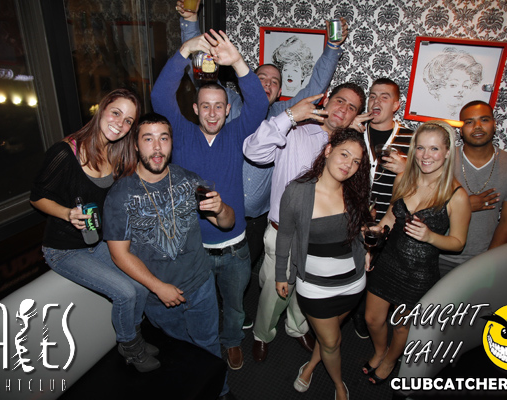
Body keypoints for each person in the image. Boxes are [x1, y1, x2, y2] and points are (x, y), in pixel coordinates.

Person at [177, 0, 350, 282]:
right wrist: (190, 21)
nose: (267, 84)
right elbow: (201, 76)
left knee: (240, 280)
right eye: (261, 78)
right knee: (203, 279)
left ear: (280, 91)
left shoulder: (283, 114)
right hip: (214, 211)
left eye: (274, 81)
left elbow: (314, 89)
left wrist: (333, 47)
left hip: (256, 220)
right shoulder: (229, 104)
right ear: (247, 82)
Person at [151, 28, 269, 370]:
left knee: (234, 305)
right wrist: (186, 49)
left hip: (234, 248)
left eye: (219, 106)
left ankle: (232, 342)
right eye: (206, 106)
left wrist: (238, 62)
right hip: (193, 249)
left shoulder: (236, 133)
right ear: (195, 109)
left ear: (228, 109)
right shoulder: (181, 133)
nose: (213, 113)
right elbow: (159, 95)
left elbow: (260, 104)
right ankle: (198, 349)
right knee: (195, 305)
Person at [103, 113, 236, 399]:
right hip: (160, 298)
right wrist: (158, 287)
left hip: (200, 285)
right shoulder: (120, 195)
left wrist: (221, 208)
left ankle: (221, 392)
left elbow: (227, 223)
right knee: (181, 355)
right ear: (136, 145)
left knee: (210, 344)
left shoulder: (189, 180)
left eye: (163, 138)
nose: (157, 147)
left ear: (171, 143)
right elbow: (118, 254)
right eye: (148, 139)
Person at [30, 89, 160, 372]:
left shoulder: (115, 152)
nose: (120, 124)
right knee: (125, 292)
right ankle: (129, 346)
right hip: (64, 250)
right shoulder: (65, 152)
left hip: (96, 242)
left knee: (140, 285)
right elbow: (37, 197)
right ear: (102, 109)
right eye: (116, 113)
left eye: (128, 121)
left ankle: (134, 335)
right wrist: (67, 213)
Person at [243, 82, 370, 362]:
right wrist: (289, 116)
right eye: (340, 101)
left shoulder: (348, 151)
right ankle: (263, 334)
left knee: (309, 291)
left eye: (352, 108)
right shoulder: (295, 132)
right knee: (276, 292)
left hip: (322, 240)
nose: (343, 109)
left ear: (355, 116)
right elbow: (253, 151)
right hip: (284, 234)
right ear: (328, 100)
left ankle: (297, 327)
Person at [363, 120, 471, 384]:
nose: (425, 156)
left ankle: (390, 360)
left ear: (447, 152)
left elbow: (458, 242)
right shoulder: (403, 178)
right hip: (389, 261)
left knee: (401, 326)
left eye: (434, 149)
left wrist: (431, 236)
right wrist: (374, 238)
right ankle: (380, 351)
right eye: (420, 148)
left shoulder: (457, 196)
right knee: (372, 319)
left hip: (419, 273)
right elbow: (391, 217)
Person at [275, 128, 371, 400]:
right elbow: (285, 235)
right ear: (328, 150)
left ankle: (311, 366)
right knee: (331, 341)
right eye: (344, 154)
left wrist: (365, 249)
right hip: (315, 288)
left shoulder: (354, 191)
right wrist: (281, 274)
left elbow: (360, 228)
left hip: (352, 284)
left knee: (330, 337)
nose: (348, 165)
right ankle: (339, 385)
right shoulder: (297, 191)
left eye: (356, 161)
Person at [350, 78, 413, 339]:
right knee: (353, 265)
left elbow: (428, 181)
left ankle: (369, 312)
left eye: (384, 97)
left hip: (392, 220)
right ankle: (354, 310)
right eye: (373, 96)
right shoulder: (355, 131)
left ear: (396, 105)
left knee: (379, 270)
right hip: (353, 215)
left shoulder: (411, 138)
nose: (376, 101)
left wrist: (407, 169)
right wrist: (345, 130)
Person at [438, 101, 507, 277]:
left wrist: (488, 262)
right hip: (438, 256)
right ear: (461, 130)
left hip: (482, 259)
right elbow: (423, 208)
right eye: (469, 122)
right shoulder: (442, 160)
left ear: (494, 124)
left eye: (484, 120)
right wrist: (463, 206)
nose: (477, 126)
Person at [422, 47, 483, 118]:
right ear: (437, 87)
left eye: (466, 86)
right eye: (453, 85)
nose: (461, 90)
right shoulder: (428, 110)